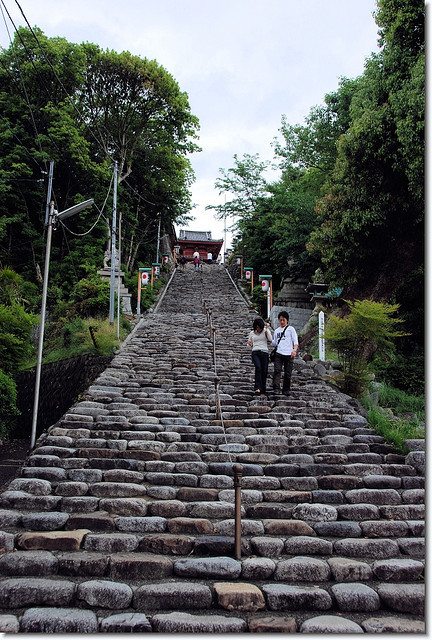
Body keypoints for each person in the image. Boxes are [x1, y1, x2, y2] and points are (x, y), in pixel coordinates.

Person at [272, 310, 298, 395]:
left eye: (283, 320)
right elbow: (275, 343)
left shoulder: (291, 329)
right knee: (277, 370)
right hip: (279, 353)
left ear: (287, 320)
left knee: (288, 373)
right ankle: (276, 388)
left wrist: (294, 350)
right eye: (280, 320)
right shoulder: (276, 331)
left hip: (289, 353)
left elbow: (295, 341)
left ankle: (286, 389)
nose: (282, 321)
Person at [247, 317, 272, 395]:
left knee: (264, 370)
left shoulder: (265, 331)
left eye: (259, 327)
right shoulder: (252, 333)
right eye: (257, 327)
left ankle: (263, 388)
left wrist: (267, 330)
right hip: (255, 352)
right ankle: (257, 387)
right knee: (258, 367)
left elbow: (270, 339)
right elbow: (248, 344)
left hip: (264, 352)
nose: (258, 329)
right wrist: (249, 344)